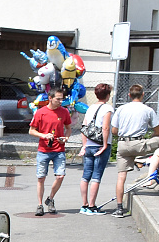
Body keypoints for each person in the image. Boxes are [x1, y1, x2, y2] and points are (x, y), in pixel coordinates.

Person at [111, 84, 159, 218]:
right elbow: (158, 132)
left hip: (122, 144)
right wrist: (149, 137)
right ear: (143, 95)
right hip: (139, 143)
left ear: (129, 95)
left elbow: (114, 131)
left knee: (121, 177)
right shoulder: (148, 110)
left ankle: (119, 208)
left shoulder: (121, 109)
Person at [29, 87, 71, 216]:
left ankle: (50, 198)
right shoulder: (40, 112)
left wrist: (66, 137)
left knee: (60, 176)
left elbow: (68, 128)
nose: (60, 101)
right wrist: (43, 135)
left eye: (62, 99)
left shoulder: (64, 112)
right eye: (58, 99)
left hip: (59, 149)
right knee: (41, 178)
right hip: (44, 150)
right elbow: (31, 130)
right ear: (50, 98)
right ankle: (40, 204)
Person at [77, 83, 114, 215]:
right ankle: (92, 206)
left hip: (89, 145)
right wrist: (104, 144)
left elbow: (84, 127)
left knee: (85, 175)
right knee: (96, 176)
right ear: (108, 95)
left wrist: (84, 145)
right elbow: (106, 127)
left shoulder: (90, 108)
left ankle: (84, 205)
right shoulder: (108, 109)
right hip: (100, 145)